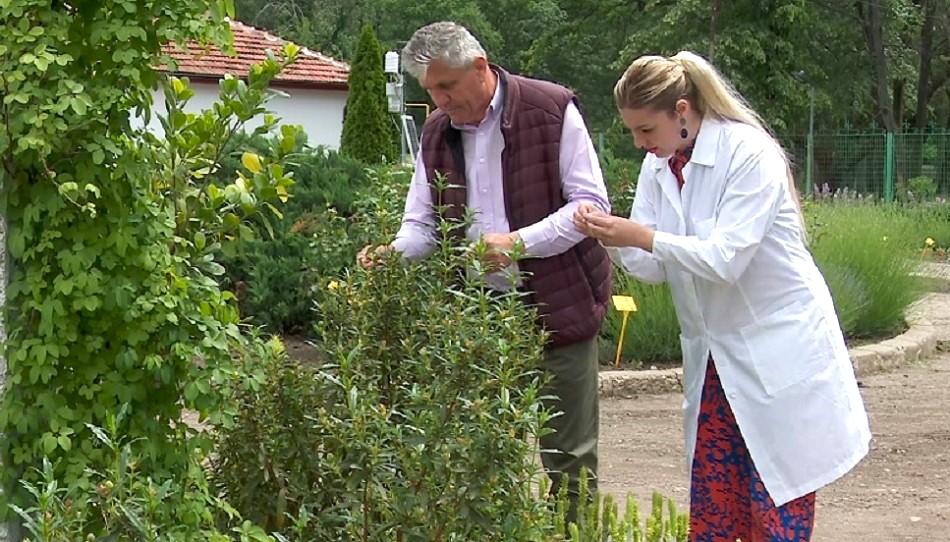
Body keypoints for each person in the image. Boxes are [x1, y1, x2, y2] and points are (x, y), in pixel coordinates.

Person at [573, 52, 870, 541]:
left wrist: (641, 235)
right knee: (714, 509)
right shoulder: (660, 165)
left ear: (683, 110)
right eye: (632, 132)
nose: (640, 144)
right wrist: (609, 236)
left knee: (774, 502)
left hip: (777, 347)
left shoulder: (749, 153)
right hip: (714, 357)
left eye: (646, 130)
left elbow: (724, 259)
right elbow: (652, 267)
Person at [357, 21, 612, 514]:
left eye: (445, 87)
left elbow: (590, 209)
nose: (438, 101)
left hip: (562, 306)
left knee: (570, 460)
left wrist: (518, 243)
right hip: (479, 316)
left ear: (479, 68)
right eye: (429, 90)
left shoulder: (552, 109)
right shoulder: (436, 132)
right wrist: (393, 253)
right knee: (481, 455)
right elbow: (423, 223)